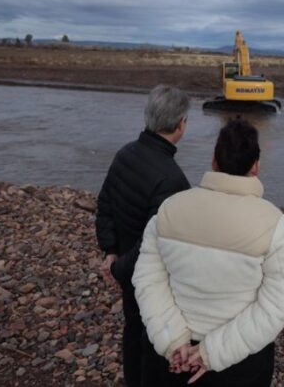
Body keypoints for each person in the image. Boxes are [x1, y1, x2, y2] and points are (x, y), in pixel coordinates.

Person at [132, 118, 284, 387]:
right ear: (256, 166)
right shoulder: (273, 224)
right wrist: (211, 353)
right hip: (239, 364)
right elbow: (278, 305)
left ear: (213, 161)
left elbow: (147, 281)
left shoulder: (168, 210)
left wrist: (173, 342)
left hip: (170, 359)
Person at [95, 84, 191, 387]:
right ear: (179, 125)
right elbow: (153, 247)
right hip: (149, 282)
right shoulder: (173, 180)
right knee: (152, 346)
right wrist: (117, 267)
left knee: (132, 332)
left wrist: (110, 252)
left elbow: (104, 204)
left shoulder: (125, 153)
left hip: (125, 269)